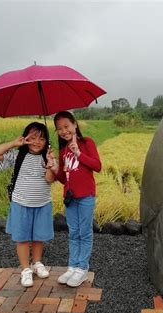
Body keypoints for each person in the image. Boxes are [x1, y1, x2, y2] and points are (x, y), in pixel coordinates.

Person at [0, 122, 55, 288]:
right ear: (25, 138)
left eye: (41, 138)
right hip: (21, 203)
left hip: (42, 203)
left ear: (47, 141)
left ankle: (37, 263)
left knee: (39, 237)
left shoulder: (47, 157)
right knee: (22, 238)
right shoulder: (17, 155)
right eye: (32, 138)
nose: (36, 142)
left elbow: (49, 179)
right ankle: (25, 269)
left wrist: (50, 164)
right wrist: (14, 143)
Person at [46, 111, 101, 287]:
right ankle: (72, 266)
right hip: (70, 198)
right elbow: (63, 178)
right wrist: (54, 166)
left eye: (66, 126)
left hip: (86, 196)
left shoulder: (87, 143)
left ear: (74, 124)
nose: (63, 131)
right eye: (59, 129)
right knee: (73, 232)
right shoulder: (62, 151)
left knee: (84, 233)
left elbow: (97, 166)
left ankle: (82, 269)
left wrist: (78, 153)